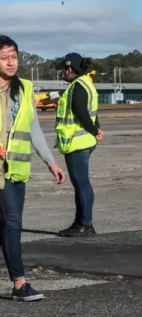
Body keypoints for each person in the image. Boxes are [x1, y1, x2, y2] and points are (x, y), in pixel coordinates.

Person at [0, 35, 66, 302]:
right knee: (14, 222)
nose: (11, 62)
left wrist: (51, 162)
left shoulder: (25, 89)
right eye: (5, 57)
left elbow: (34, 130)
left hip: (17, 165)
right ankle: (19, 283)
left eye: (14, 56)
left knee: (8, 222)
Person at [55, 52, 102, 237]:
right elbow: (93, 112)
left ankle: (85, 224)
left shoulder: (77, 87)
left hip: (77, 143)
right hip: (84, 142)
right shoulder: (86, 84)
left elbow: (81, 112)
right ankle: (80, 222)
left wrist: (94, 130)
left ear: (70, 68)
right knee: (81, 184)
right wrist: (96, 128)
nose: (61, 73)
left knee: (82, 184)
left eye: (63, 69)